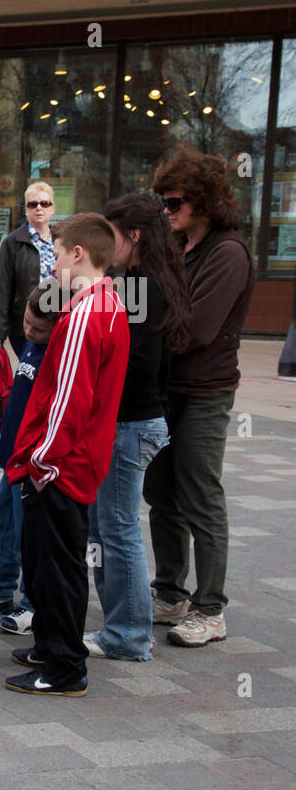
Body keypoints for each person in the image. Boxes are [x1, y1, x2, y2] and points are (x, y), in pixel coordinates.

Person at [4, 213, 130, 698]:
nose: (53, 263)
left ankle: (62, 666)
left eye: (56, 253)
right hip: (67, 461)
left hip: (61, 465)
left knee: (57, 568)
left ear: (79, 254)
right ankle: (49, 650)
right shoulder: (104, 304)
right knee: (46, 562)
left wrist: (43, 461)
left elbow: (70, 400)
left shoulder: (84, 313)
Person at [144, 150, 255, 649]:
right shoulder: (178, 243)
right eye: (162, 201)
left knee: (200, 494)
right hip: (168, 388)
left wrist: (141, 330)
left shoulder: (228, 252)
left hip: (205, 391)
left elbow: (196, 329)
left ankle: (211, 608)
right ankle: (170, 593)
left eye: (175, 202)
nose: (167, 210)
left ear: (204, 201)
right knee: (161, 493)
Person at [82, 193, 190, 662]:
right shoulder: (140, 282)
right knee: (107, 529)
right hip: (130, 421)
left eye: (113, 235)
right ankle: (120, 628)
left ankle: (127, 634)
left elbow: (138, 364)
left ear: (135, 236)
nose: (106, 245)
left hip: (131, 423)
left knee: (118, 529)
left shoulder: (142, 287)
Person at [0, 281, 58, 636]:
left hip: (31, 461)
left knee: (30, 537)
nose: (28, 332)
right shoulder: (31, 346)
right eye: (26, 323)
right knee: (2, 526)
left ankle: (33, 605)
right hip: (12, 455)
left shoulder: (55, 354)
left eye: (37, 329)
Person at [0, 181, 55, 357]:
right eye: (33, 204)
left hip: (58, 322)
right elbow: (3, 288)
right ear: (26, 210)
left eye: (45, 203)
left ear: (52, 209)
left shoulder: (61, 239)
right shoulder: (13, 242)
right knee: (32, 372)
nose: (39, 208)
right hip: (26, 326)